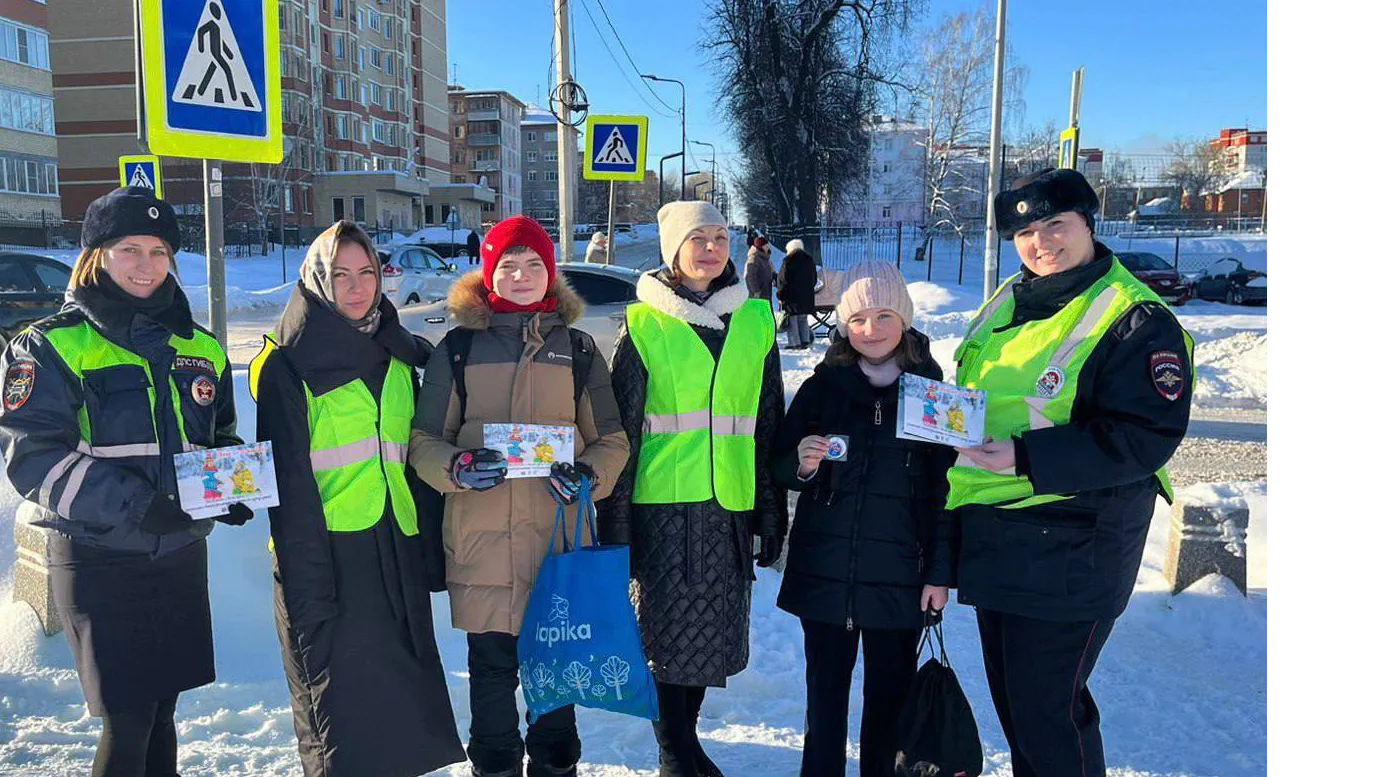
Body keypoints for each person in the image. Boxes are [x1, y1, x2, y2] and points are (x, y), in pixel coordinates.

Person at [948, 168, 1195, 777]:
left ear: (1088, 222)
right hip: (999, 528)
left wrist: (1026, 456)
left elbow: (1145, 435)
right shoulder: (1012, 297)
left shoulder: (1135, 318)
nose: (1041, 243)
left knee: (1048, 712)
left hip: (1077, 538)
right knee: (1017, 708)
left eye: (1055, 224)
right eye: (1025, 233)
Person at [0, 186, 252, 777]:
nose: (147, 265)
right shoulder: (51, 345)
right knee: (129, 716)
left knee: (163, 711)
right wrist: (139, 505)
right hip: (100, 557)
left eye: (159, 251)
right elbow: (34, 459)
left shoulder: (200, 346)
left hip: (180, 553)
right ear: (97, 256)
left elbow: (219, 434)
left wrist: (228, 486)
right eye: (130, 249)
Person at [408, 215, 630, 777]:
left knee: (555, 674)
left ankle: (556, 764)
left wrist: (588, 476)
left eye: (534, 264)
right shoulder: (458, 350)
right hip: (481, 544)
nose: (522, 275)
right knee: (490, 672)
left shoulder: (578, 350)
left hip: (558, 544)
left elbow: (611, 440)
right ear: (489, 274)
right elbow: (424, 440)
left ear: (551, 273)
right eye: (509, 265)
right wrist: (457, 468)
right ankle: (494, 765)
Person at [249, 221, 466, 777]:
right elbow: (288, 485)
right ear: (317, 280)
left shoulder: (397, 352)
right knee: (342, 720)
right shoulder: (288, 363)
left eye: (366, 272)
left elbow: (410, 454)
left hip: (395, 545)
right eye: (340, 274)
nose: (356, 286)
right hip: (328, 556)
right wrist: (307, 583)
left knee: (404, 714)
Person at [600, 201, 787, 777]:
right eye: (697, 238)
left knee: (709, 638)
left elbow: (768, 423)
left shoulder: (754, 321)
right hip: (663, 509)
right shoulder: (644, 323)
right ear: (673, 250)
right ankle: (674, 751)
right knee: (665, 637)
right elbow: (623, 429)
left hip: (728, 508)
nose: (710, 249)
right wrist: (616, 523)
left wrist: (771, 509)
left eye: (719, 236)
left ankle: (687, 740)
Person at [771, 261, 956, 777]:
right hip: (825, 572)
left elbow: (947, 493)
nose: (870, 330)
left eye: (883, 316)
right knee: (823, 700)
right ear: (843, 325)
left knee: (889, 702)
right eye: (857, 319)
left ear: (905, 320)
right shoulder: (822, 387)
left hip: (901, 579)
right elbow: (781, 466)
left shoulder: (934, 394)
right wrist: (802, 464)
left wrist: (940, 573)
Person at [777, 238, 818, 349]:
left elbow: (783, 280)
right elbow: (814, 279)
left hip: (792, 297)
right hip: (806, 297)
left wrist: (781, 294)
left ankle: (794, 343)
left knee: (792, 320)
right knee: (803, 319)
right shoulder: (809, 260)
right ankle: (805, 341)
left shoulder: (788, 261)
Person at [744, 236, 775, 301]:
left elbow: (769, 272)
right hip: (758, 296)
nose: (768, 247)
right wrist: (756, 291)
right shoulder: (754, 258)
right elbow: (750, 276)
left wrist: (772, 279)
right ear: (761, 247)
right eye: (766, 245)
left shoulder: (765, 258)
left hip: (765, 293)